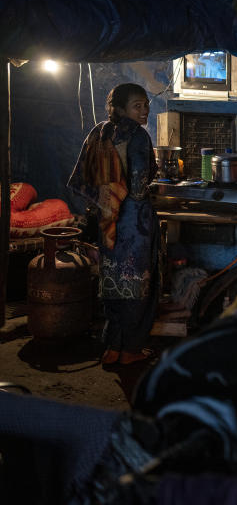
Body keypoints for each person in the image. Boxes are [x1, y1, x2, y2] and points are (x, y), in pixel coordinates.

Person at [67, 83, 157, 366]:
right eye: (137, 106)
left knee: (113, 281)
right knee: (135, 283)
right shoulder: (139, 137)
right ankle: (130, 349)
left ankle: (112, 348)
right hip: (133, 222)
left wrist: (104, 200)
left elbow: (81, 178)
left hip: (106, 220)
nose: (144, 111)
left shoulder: (98, 131)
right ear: (120, 109)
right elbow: (140, 188)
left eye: (145, 105)